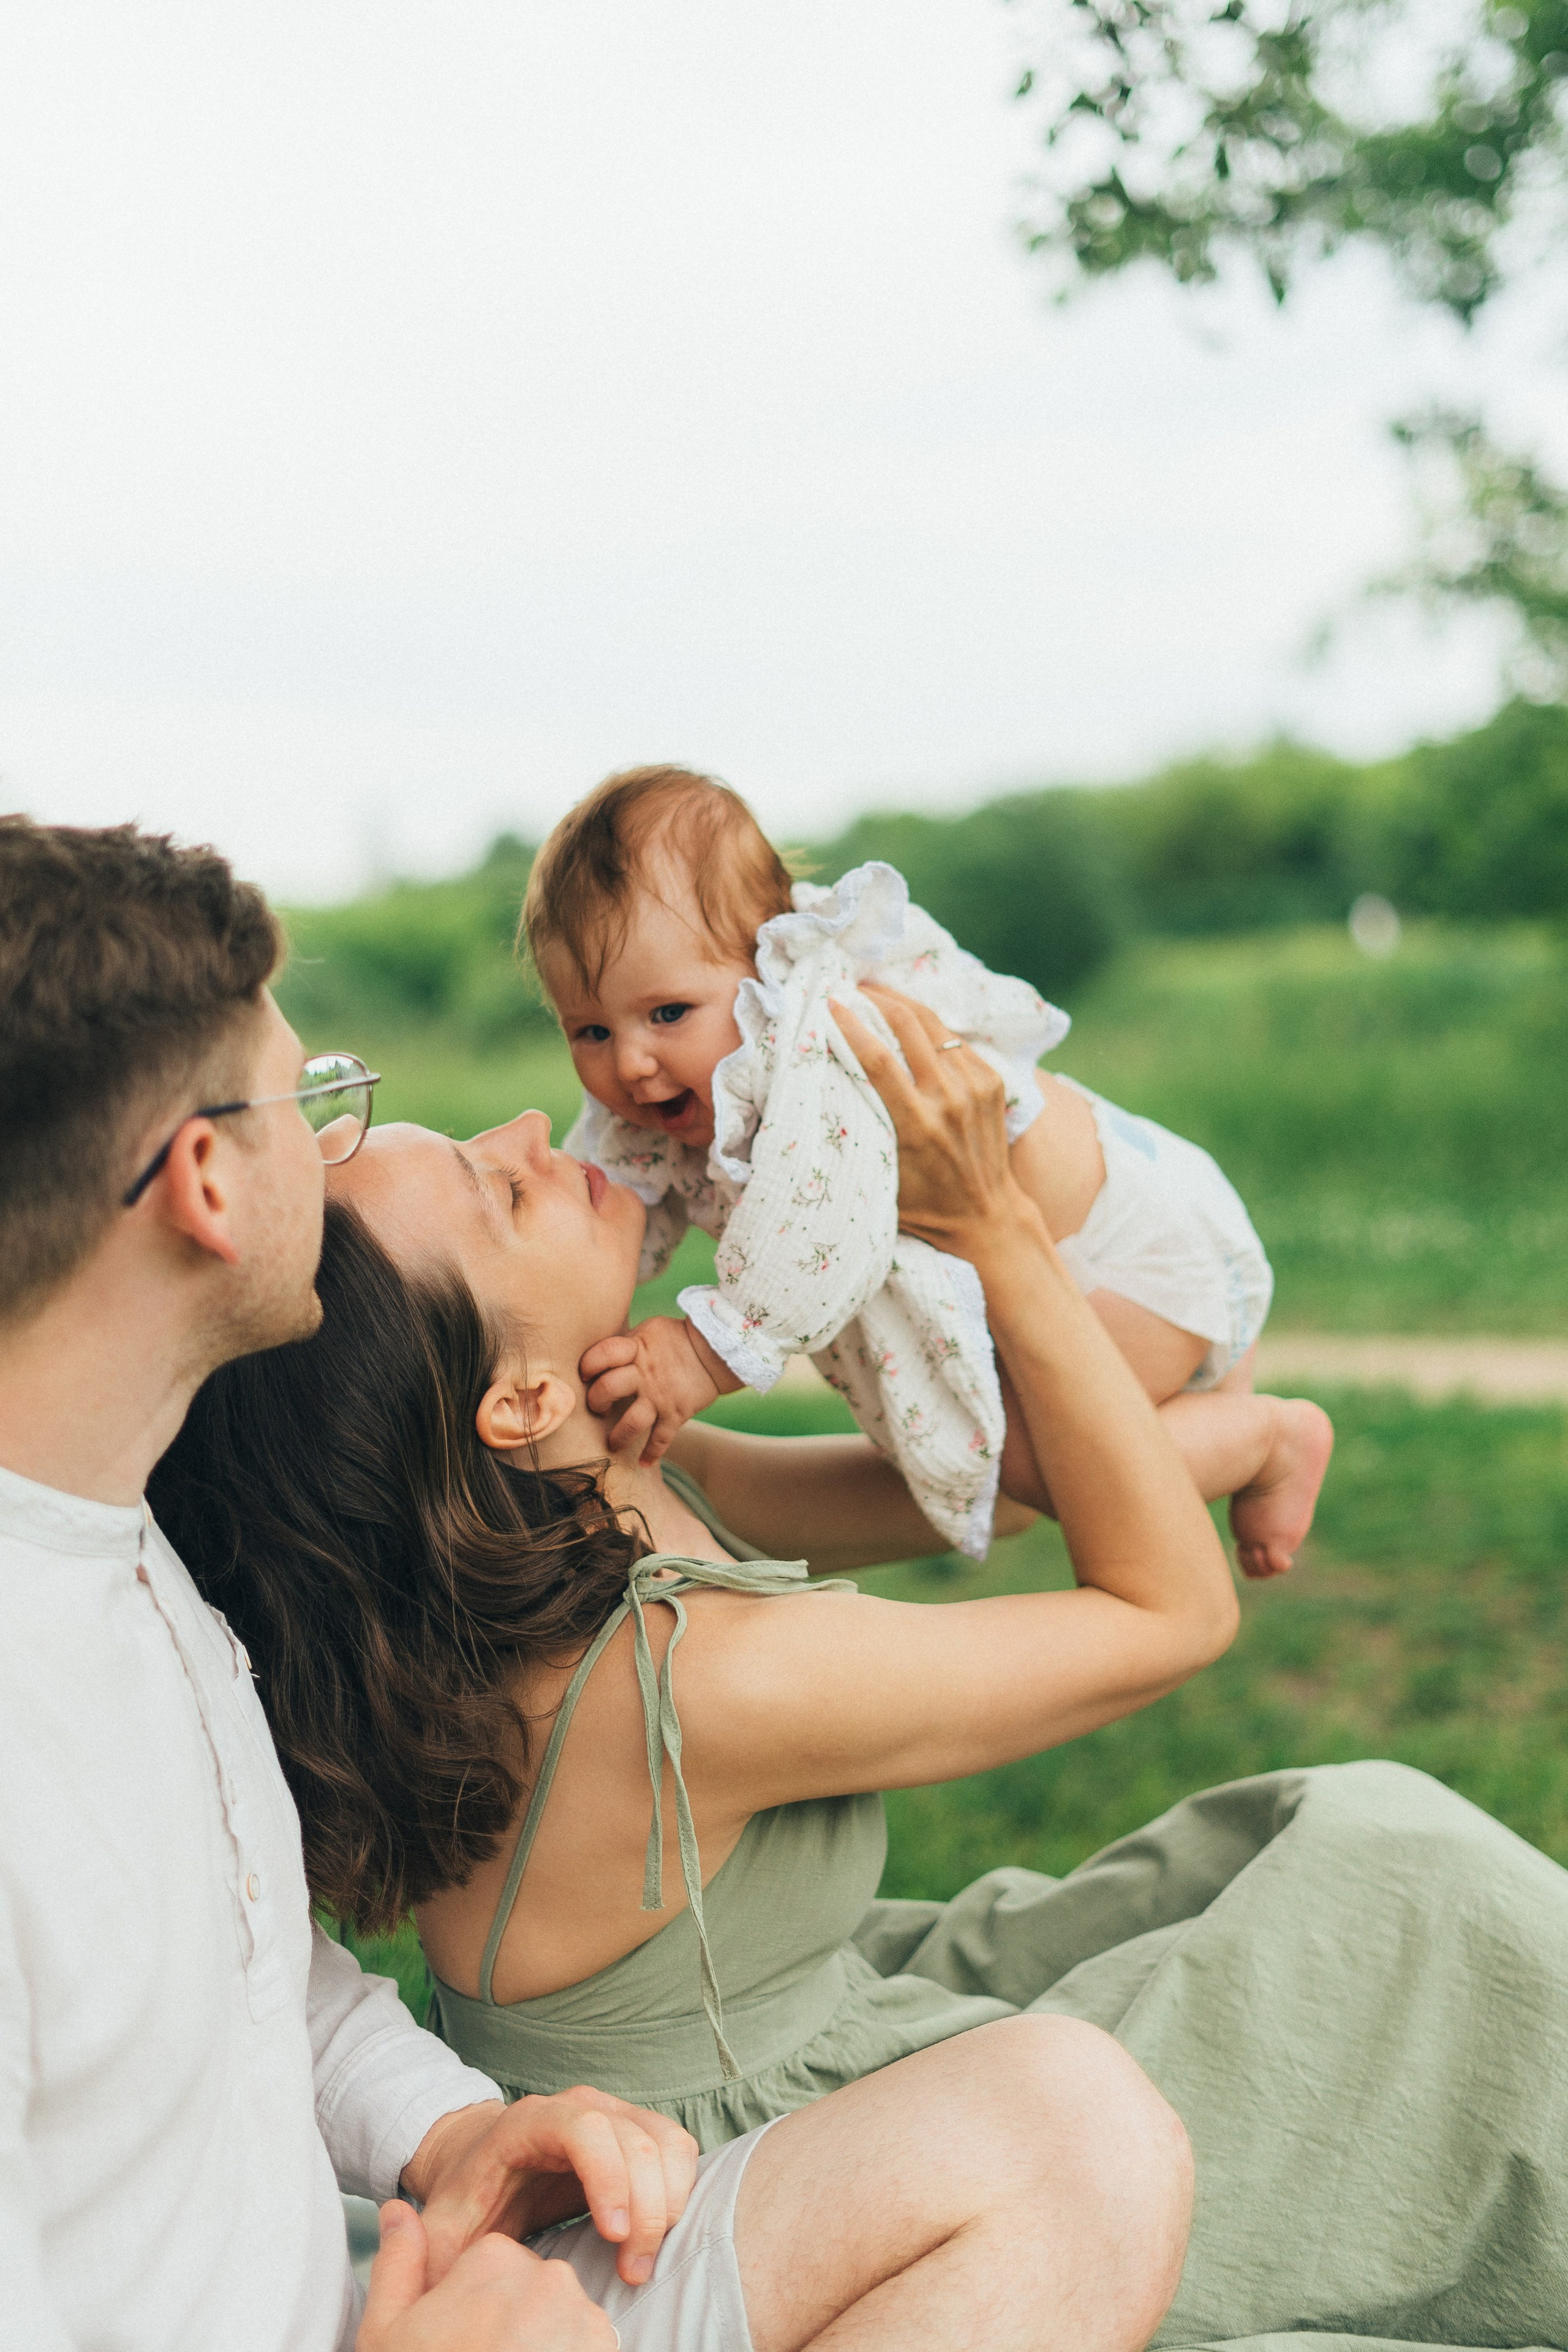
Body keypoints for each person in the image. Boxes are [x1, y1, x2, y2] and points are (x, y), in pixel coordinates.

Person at [159, 979, 1568, 2351]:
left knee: (1369, 1860)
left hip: (835, 2014)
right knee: (1418, 1919)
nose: (535, 1129)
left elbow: (974, 1495)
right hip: (771, 2164)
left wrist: (1232, 1437)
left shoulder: (597, 1490)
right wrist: (996, 1228)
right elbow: (1166, 1617)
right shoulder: (698, 1682)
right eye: (502, 1191)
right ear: (516, 1399)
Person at [0, 814, 1193, 2352]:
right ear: (207, 1183)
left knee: (1062, 2118)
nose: (349, 1132)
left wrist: (443, 2133)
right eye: (310, 1100)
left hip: (411, 2280)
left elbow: (256, 1984)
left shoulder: (132, 1554)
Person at [523, 764, 1332, 1575]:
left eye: (668, 1013)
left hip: (1123, 1246)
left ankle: (1272, 1440)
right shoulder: (676, 1082)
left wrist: (701, 1355)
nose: (630, 1061)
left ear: (768, 958)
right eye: (588, 1031)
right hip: (1103, 1227)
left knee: (1044, 1470)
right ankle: (1241, 1435)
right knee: (1091, 1462)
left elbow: (826, 1220)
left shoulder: (815, 1043)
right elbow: (614, 1195)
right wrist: (547, 1319)